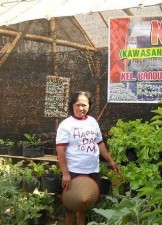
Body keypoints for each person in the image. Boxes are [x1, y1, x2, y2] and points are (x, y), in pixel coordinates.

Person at [56, 91, 120, 225]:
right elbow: (60, 150)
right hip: (74, 171)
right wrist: (65, 174)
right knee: (71, 206)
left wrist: (110, 161)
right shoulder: (66, 125)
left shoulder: (92, 122)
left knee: (85, 204)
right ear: (72, 105)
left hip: (92, 170)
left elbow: (100, 143)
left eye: (84, 105)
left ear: (89, 106)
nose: (81, 108)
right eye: (78, 104)